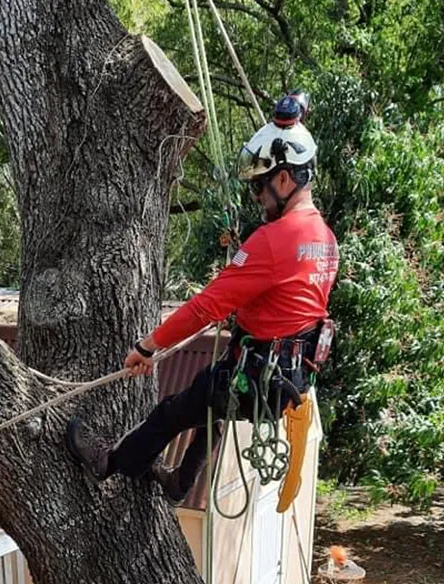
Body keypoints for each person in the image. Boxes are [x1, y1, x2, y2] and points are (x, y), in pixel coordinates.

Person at [67, 93, 339, 504]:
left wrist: (147, 347)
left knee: (171, 413)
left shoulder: (274, 239)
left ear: (285, 180)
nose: (257, 198)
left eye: (259, 187)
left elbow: (206, 306)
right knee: (210, 406)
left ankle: (112, 464)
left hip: (258, 376)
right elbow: (289, 305)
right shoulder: (325, 239)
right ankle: (181, 482)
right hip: (289, 379)